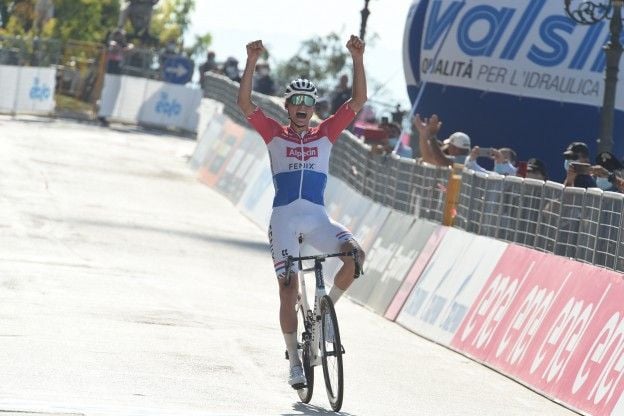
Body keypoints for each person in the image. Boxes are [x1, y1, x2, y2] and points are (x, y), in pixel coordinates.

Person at [237, 35, 367, 390]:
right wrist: (251, 60)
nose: (302, 107)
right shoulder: (274, 134)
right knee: (287, 290)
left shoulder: (325, 133)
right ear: (288, 105)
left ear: (313, 108)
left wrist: (357, 57)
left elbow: (358, 101)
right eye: (296, 101)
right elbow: (245, 102)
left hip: (317, 219)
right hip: (283, 220)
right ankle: (294, 361)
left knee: (355, 256)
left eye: (308, 102)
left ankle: (326, 316)